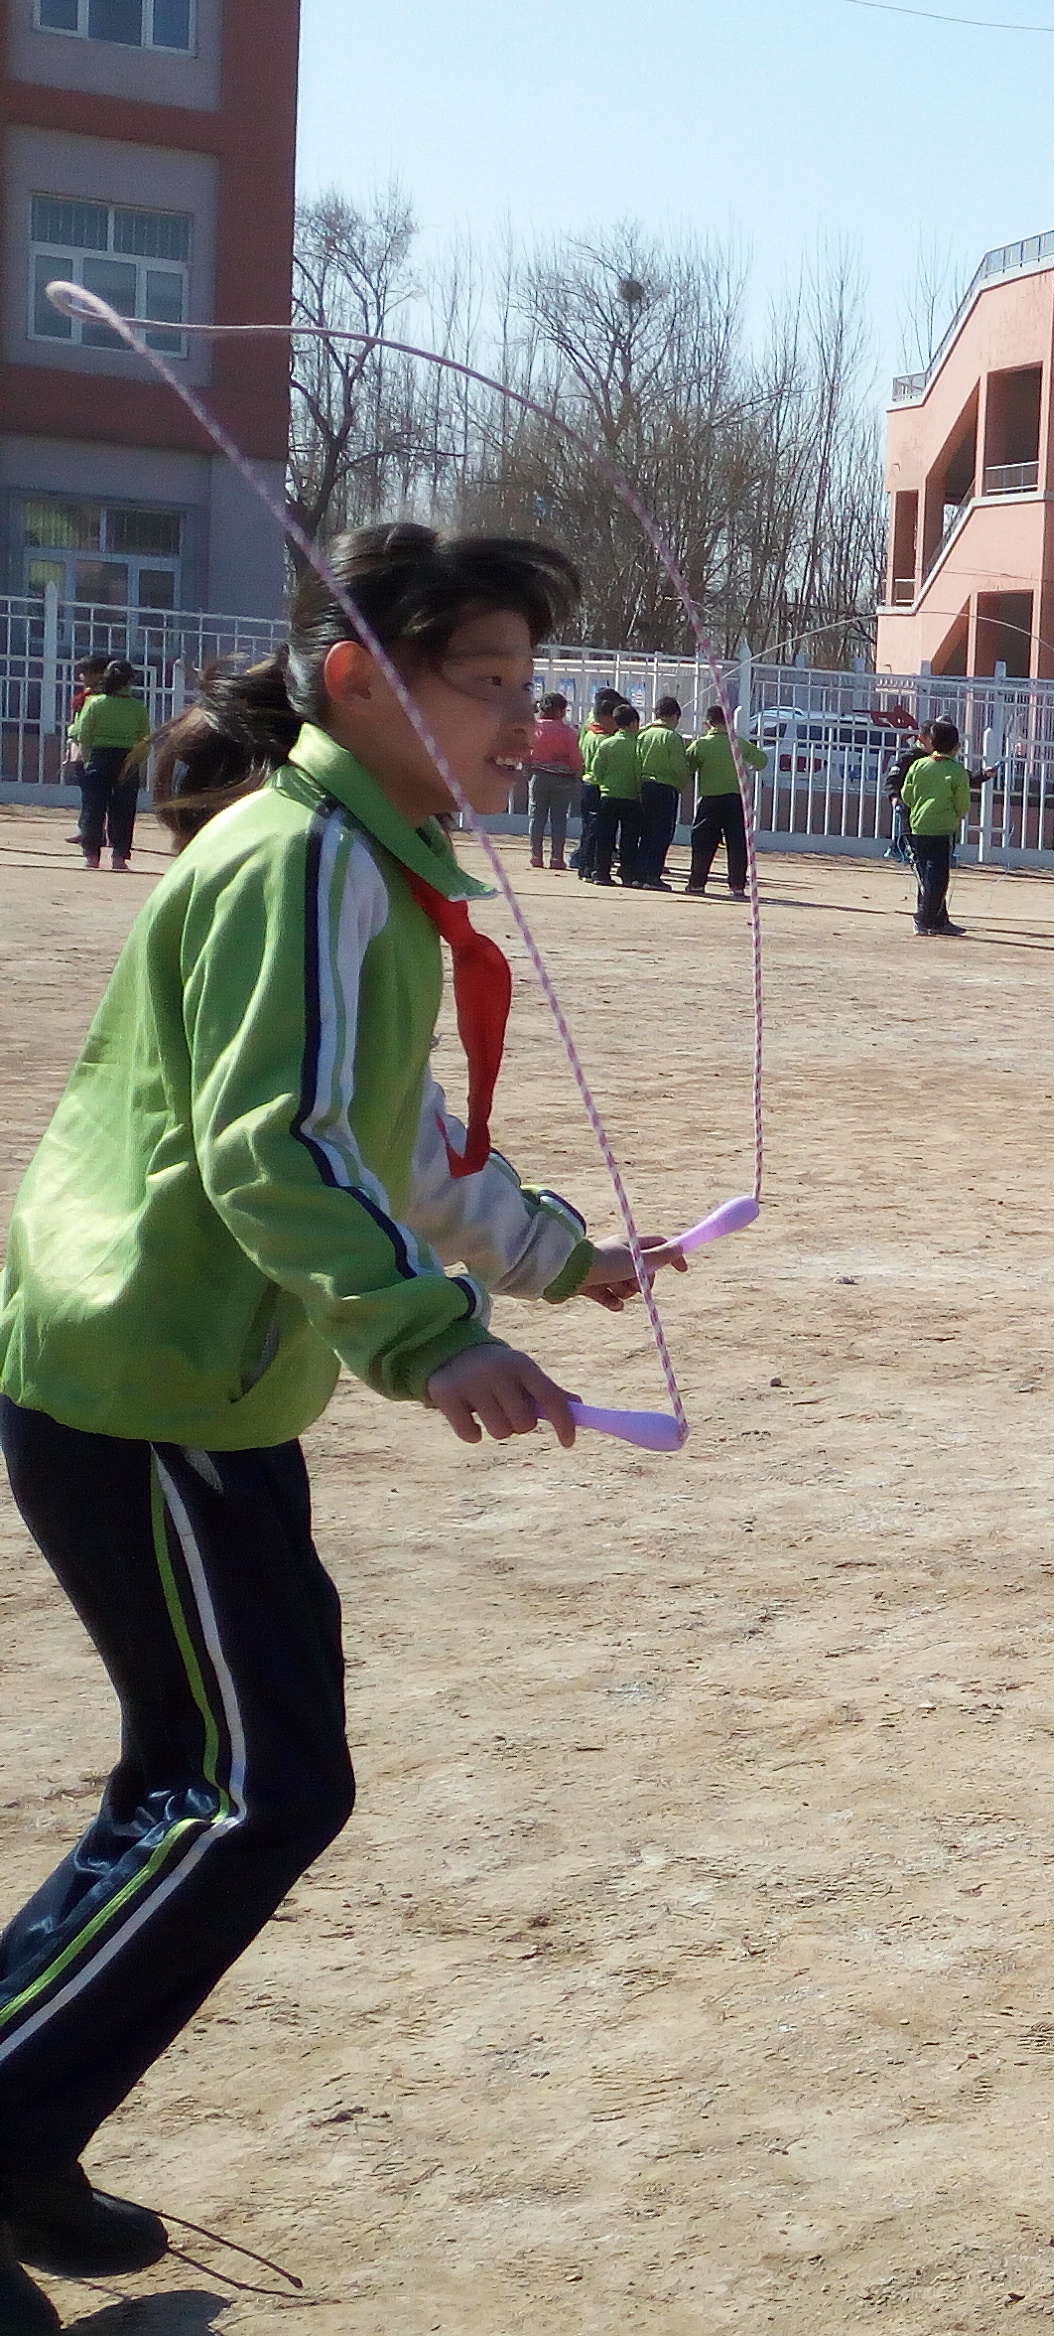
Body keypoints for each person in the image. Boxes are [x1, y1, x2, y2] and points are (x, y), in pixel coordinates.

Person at [0, 530, 670, 2332]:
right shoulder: (306, 858)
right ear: (361, 679)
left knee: (206, 1774)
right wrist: (429, 1339)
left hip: (191, 1389)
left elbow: (399, 1133)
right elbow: (276, 1148)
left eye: (534, 688)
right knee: (257, 1781)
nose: (527, 727)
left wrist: (567, 1264)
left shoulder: (362, 867)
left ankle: (22, 2115)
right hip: (153, 1387)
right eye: (490, 683)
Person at [65, 657, 150, 873]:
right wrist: (136, 761)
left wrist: (86, 755)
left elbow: (83, 734)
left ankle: (92, 856)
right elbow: (145, 739)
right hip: (127, 761)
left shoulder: (95, 703)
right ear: (128, 682)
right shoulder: (137, 707)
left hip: (100, 758)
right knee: (124, 809)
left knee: (94, 808)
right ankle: (119, 856)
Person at [896, 721, 975, 938]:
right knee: (938, 878)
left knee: (928, 874)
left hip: (919, 828)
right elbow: (962, 803)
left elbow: (908, 795)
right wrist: (957, 815)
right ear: (956, 747)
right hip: (942, 830)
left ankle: (934, 920)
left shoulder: (919, 766)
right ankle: (923, 919)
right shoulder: (956, 771)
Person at [681, 704, 757, 900]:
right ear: (729, 723)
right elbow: (762, 760)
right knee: (737, 843)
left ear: (708, 724)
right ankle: (737, 885)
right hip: (735, 799)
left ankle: (697, 883)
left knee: (703, 841)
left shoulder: (701, 745)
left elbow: (687, 767)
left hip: (710, 800)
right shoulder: (739, 743)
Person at [622, 697, 693, 891]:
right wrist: (684, 780)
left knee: (645, 832)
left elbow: (636, 763)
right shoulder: (671, 737)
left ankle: (638, 873)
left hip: (645, 786)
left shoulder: (643, 735)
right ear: (673, 715)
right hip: (665, 788)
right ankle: (651, 875)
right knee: (661, 833)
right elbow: (680, 767)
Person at [577, 700, 646, 884]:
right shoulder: (639, 746)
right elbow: (641, 772)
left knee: (605, 837)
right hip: (631, 797)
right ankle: (628, 874)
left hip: (608, 796)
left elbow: (596, 770)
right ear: (633, 723)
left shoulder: (606, 744)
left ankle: (601, 873)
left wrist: (605, 784)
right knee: (629, 838)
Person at [522, 691, 587, 871]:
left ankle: (536, 855)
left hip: (538, 776)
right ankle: (556, 857)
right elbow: (575, 758)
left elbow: (526, 751)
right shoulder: (568, 733)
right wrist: (577, 774)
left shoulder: (534, 729)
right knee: (559, 819)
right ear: (560, 711)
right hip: (562, 780)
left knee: (537, 816)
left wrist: (526, 767)